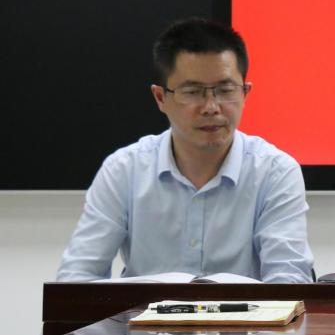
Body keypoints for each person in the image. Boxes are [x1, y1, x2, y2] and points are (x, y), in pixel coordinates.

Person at [57, 18, 314, 282]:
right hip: (142, 312)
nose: (211, 107)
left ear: (245, 93)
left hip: (248, 313)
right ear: (160, 98)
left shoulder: (275, 172)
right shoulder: (124, 170)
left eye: (225, 90)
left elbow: (289, 283)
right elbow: (75, 280)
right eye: (192, 92)